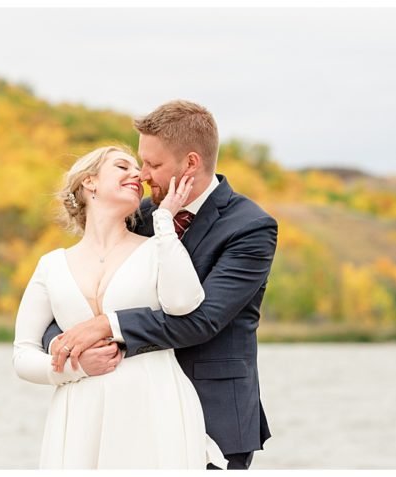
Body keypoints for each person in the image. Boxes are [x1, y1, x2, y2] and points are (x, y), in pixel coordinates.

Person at [44, 100, 277, 469]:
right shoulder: (142, 216)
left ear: (190, 163)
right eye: (141, 163)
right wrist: (70, 347)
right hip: (134, 412)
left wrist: (107, 325)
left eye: (153, 165)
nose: (144, 176)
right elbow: (79, 298)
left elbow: (204, 321)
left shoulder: (249, 227)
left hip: (214, 413)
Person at [12, 145, 226, 469]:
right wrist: (77, 367)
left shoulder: (159, 249)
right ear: (89, 182)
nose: (136, 174)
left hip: (153, 403)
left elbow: (183, 305)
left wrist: (164, 220)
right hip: (79, 409)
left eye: (137, 170)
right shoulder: (51, 265)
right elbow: (23, 353)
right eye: (122, 166)